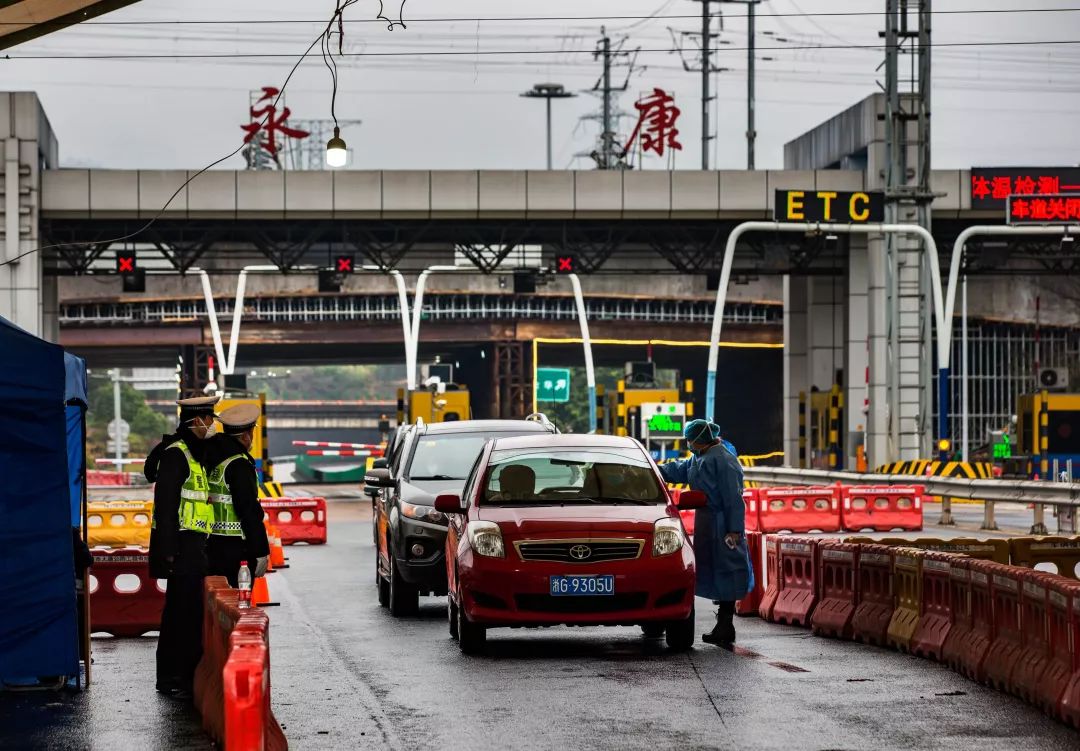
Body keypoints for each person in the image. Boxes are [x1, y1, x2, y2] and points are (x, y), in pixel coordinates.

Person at [145, 395, 219, 698]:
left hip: (193, 545)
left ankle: (181, 677)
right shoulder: (177, 454)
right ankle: (174, 679)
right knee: (180, 615)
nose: (212, 425)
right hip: (180, 547)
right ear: (197, 420)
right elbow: (165, 506)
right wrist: (169, 552)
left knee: (186, 613)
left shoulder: (193, 453)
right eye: (209, 419)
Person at [658, 418, 752, 647]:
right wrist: (652, 468)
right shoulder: (699, 457)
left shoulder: (724, 460)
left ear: (700, 439)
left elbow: (733, 498)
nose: (688, 443)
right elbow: (678, 470)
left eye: (690, 439)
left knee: (728, 570)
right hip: (707, 523)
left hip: (723, 525)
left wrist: (734, 530)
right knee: (716, 570)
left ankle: (725, 625)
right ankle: (723, 625)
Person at [202, 403, 270, 588]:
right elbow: (248, 510)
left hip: (211, 543)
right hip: (237, 550)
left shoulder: (210, 457)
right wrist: (260, 550)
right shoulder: (239, 464)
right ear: (246, 435)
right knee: (238, 600)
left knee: (217, 599)